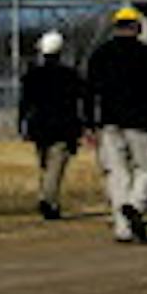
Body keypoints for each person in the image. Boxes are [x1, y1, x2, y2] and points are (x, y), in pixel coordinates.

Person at [84, 5, 147, 243]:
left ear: (115, 27)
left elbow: (89, 91)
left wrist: (89, 123)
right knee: (146, 169)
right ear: (137, 27)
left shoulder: (101, 54)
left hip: (110, 122)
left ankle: (122, 229)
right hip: (143, 123)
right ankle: (135, 205)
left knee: (117, 174)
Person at [18, 30, 85, 221]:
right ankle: (48, 200)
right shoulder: (70, 75)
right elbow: (81, 98)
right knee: (56, 165)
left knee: (44, 164)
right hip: (63, 126)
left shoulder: (32, 75)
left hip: (39, 125)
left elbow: (25, 102)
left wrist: (22, 123)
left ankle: (47, 197)